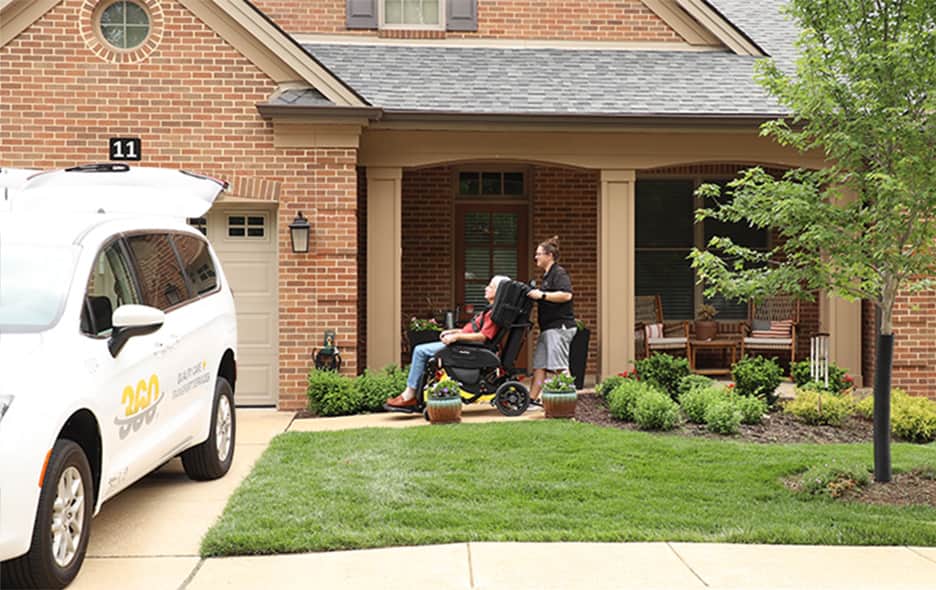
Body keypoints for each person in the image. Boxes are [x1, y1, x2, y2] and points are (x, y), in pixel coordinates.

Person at [385, 275, 510, 412]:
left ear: (499, 292)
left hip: (467, 348)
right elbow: (471, 330)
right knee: (423, 350)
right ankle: (414, 394)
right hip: (463, 343)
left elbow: (483, 336)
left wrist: (456, 337)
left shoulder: (494, 314)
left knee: (420, 351)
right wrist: (453, 332)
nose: (486, 289)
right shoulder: (491, 310)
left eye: (490, 286)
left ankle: (410, 395)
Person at [526, 236, 576, 404]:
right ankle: (531, 399)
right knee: (540, 365)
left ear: (549, 255)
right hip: (547, 328)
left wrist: (543, 295)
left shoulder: (558, 273)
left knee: (560, 366)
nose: (536, 257)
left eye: (538, 254)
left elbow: (566, 294)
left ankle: (568, 402)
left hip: (559, 327)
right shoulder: (548, 276)